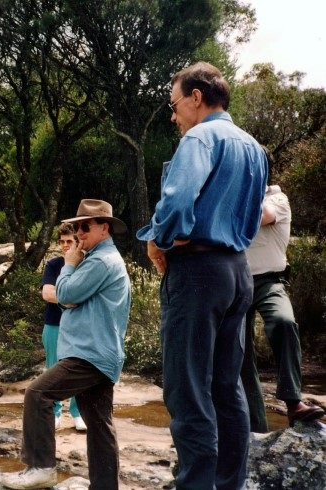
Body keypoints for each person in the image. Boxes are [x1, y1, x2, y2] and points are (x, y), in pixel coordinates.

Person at [136, 62, 268, 490]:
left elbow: (175, 207)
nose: (173, 116)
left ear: (196, 97)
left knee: (187, 389)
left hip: (197, 273)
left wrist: (159, 241)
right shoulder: (253, 147)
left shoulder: (199, 137)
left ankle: (194, 484)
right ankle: (230, 484)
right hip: (238, 271)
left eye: (174, 106)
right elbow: (252, 216)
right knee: (227, 387)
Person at [2, 199, 131, 490]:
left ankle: (41, 468)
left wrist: (69, 266)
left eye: (85, 227)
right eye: (75, 227)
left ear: (104, 228)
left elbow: (65, 291)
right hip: (99, 352)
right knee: (99, 423)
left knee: (38, 394)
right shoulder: (101, 257)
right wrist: (68, 288)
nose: (79, 233)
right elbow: (68, 297)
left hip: (90, 353)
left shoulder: (99, 260)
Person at [241, 185, 325, 432]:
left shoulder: (277, 198)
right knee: (241, 352)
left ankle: (293, 402)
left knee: (283, 321)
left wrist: (240, 188)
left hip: (270, 281)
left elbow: (262, 216)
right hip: (237, 282)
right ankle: (255, 426)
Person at [40, 222, 86, 432]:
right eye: (62, 242)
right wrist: (69, 300)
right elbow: (47, 294)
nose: (65, 245)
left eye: (69, 241)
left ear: (77, 242)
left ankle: (77, 413)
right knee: (53, 370)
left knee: (79, 369)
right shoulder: (54, 264)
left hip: (80, 324)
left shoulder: (86, 263)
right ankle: (55, 412)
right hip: (54, 324)